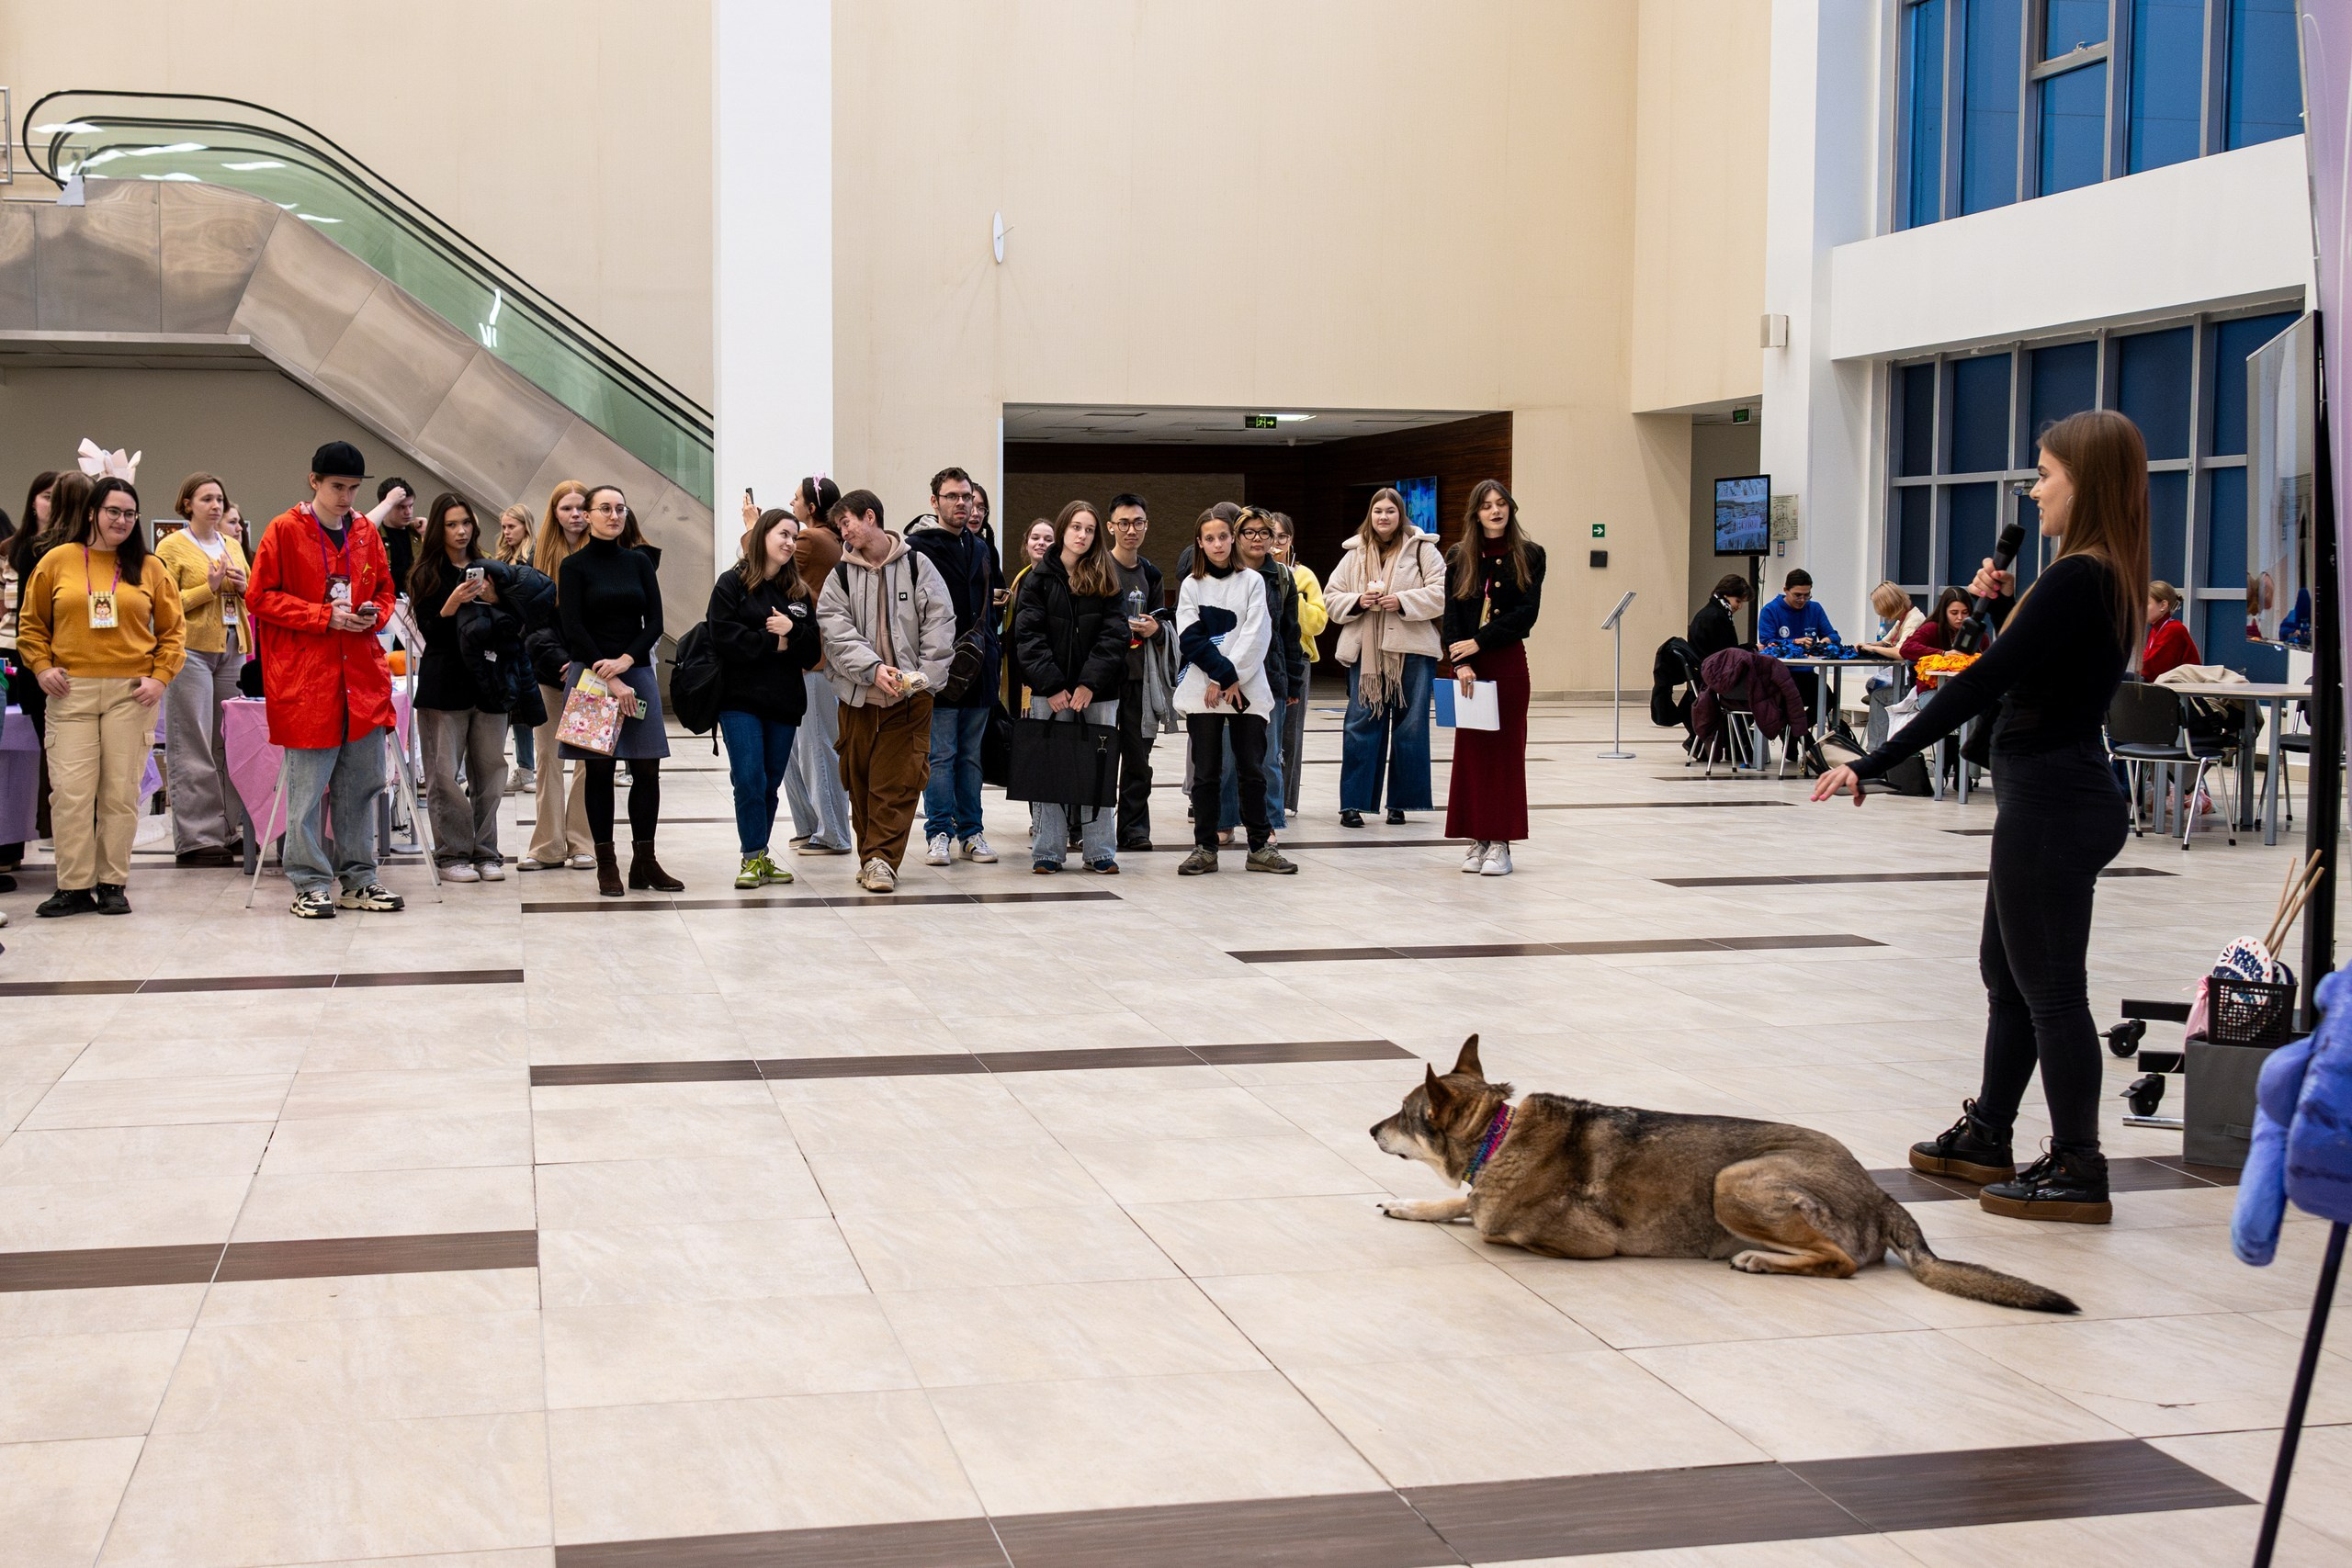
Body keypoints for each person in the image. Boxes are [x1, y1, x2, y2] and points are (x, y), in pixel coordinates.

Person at [1813, 409, 2148, 1224]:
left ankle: (2077, 1163)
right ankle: (1990, 1132)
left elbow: (1979, 685)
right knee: (2008, 977)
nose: (2034, 492)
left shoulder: (2079, 575)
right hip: (2054, 792)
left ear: (2086, 480)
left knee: (2051, 990)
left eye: (2046, 474)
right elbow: (2029, 668)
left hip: (2053, 798)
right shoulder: (2092, 574)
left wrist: (1872, 759)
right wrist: (1993, 610)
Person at [250, 442, 407, 919]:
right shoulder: (283, 530)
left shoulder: (364, 532)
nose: (346, 498)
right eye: (338, 487)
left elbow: (384, 589)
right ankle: (309, 883)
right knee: (306, 791)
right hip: (307, 679)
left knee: (362, 787)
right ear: (314, 480)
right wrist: (322, 617)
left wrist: (370, 614)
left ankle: (360, 879)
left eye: (354, 489)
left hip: (360, 677)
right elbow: (260, 596)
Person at [17, 477, 186, 917]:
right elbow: (31, 624)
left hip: (132, 694)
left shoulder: (149, 567)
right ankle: (72, 886)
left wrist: (161, 678)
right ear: (93, 512)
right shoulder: (57, 560)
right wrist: (41, 665)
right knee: (71, 793)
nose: (122, 521)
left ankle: (113, 883)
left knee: (119, 793)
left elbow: (173, 632)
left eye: (130, 514)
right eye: (113, 511)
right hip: (69, 690)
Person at [816, 489, 955, 893]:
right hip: (858, 697)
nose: (843, 533)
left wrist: (923, 677)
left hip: (909, 700)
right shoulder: (839, 576)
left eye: (846, 523)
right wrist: (873, 669)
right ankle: (871, 855)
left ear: (870, 517)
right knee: (859, 782)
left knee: (897, 783)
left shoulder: (917, 565)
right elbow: (835, 632)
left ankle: (881, 861)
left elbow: (940, 623)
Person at [558, 484, 679, 897]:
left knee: (647, 768)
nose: (613, 515)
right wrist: (608, 674)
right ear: (587, 516)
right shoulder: (574, 567)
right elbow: (572, 626)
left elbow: (655, 622)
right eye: (604, 509)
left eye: (620, 508)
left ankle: (645, 861)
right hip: (592, 674)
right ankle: (606, 864)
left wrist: (627, 662)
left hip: (636, 670)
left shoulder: (639, 562)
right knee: (599, 769)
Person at [1012, 501, 1131, 874]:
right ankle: (1047, 849)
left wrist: (1087, 685)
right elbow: (1028, 638)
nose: (1082, 535)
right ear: (1063, 529)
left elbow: (1115, 636)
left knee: (1098, 767)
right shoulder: (1038, 578)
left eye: (1090, 529)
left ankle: (1099, 850)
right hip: (1052, 693)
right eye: (1076, 527)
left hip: (1098, 691)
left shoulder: (1107, 577)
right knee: (1051, 768)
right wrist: (1054, 685)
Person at [1175, 510, 1295, 876]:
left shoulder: (1252, 581)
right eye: (1209, 538)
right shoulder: (1191, 585)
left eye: (1223, 537)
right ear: (1200, 542)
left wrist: (1229, 679)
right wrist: (1221, 675)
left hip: (1245, 689)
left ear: (1233, 539)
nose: (1217, 544)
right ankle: (1205, 847)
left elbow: (1257, 633)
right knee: (1207, 774)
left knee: (1253, 770)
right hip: (1205, 691)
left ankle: (1260, 846)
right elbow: (1191, 638)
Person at [710, 506, 822, 888]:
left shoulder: (797, 593)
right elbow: (725, 639)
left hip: (783, 702)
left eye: (794, 536)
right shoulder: (732, 583)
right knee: (749, 777)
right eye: (783, 535)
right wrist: (774, 641)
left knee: (770, 782)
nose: (791, 543)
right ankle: (752, 856)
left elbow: (812, 651)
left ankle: (759, 855)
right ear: (763, 536)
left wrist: (792, 630)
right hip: (740, 701)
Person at [1443, 480, 1546, 876]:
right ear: (1476, 513)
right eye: (1487, 506)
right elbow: (1451, 614)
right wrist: (1460, 661)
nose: (1495, 511)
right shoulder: (1458, 555)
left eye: (1501, 504)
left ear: (1511, 509)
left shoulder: (1530, 554)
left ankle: (1501, 842)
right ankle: (1477, 838)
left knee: (1504, 753)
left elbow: (1526, 614)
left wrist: (1478, 642)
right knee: (1471, 753)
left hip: (1505, 661)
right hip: (1468, 665)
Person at [1326, 487, 1445, 828]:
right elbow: (1331, 597)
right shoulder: (1354, 553)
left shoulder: (1424, 549)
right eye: (1378, 511)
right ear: (1370, 515)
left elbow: (1440, 594)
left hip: (1413, 652)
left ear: (1401, 514)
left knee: (1410, 727)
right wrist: (1358, 601)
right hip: (1366, 655)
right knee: (1360, 724)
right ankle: (1353, 803)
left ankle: (1402, 803)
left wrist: (1403, 600)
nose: (1383, 517)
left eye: (1390, 511)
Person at [409, 492, 510, 882]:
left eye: (466, 522)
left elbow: (512, 626)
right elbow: (430, 633)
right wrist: (451, 603)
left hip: (488, 683)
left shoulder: (490, 569)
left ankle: (486, 851)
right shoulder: (426, 573)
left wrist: (496, 599)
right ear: (439, 528)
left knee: (490, 771)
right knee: (444, 774)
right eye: (452, 524)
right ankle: (452, 853)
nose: (461, 531)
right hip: (443, 683)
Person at [905, 467, 1001, 867]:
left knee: (971, 756)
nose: (962, 504)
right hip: (939, 665)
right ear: (935, 502)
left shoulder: (981, 548)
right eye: (952, 497)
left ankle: (972, 831)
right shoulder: (916, 547)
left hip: (979, 664)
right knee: (941, 754)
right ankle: (939, 832)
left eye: (967, 498)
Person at [156, 472, 252, 866]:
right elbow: (162, 604)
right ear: (187, 505)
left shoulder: (232, 543)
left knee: (230, 742)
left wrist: (244, 585)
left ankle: (232, 830)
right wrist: (207, 588)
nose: (215, 505)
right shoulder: (171, 546)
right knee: (192, 741)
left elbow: (251, 592)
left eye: (219, 499)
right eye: (206, 499)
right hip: (190, 649)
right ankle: (196, 837)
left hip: (232, 647)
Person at [1217, 507, 1305, 842]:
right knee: (1226, 756)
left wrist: (1292, 681)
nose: (1257, 539)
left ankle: (1267, 822)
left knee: (1267, 757)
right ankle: (1224, 821)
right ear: (1236, 538)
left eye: (1264, 533)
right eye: (1249, 533)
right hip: (1227, 676)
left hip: (1270, 676)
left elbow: (1289, 633)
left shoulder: (1281, 577)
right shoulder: (1224, 573)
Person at [520, 480, 594, 872]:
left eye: (582, 507)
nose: (576, 515)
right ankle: (548, 844)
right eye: (567, 508)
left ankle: (583, 842)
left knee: (587, 760)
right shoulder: (538, 558)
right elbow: (533, 623)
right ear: (555, 513)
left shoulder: (604, 554)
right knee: (548, 757)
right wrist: (561, 662)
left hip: (594, 673)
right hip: (551, 674)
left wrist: (583, 662)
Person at [782, 475, 854, 857]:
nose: (792, 503)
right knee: (797, 747)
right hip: (808, 661)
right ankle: (811, 826)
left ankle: (833, 833)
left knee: (816, 746)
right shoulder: (831, 541)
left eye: (796, 499)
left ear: (812, 508)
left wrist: (749, 528)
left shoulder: (810, 540)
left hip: (815, 661)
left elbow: (764, 564)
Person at [0, 470, 60, 871]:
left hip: (50, 656)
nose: (51, 504)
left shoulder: (71, 549)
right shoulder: (10, 548)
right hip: (7, 652)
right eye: (45, 495)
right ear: (32, 501)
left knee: (51, 754)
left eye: (59, 497)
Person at [1105, 494, 1166, 851]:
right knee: (1098, 756)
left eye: (1138, 522)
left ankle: (1133, 829)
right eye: (1124, 523)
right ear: (1111, 526)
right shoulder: (1097, 568)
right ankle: (1087, 826)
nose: (1131, 530)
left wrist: (1155, 631)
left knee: (1138, 760)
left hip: (1140, 681)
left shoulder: (1152, 574)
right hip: (1102, 682)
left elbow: (1163, 625)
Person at [1269, 512, 1326, 818]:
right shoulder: (1253, 572)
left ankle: (1286, 800)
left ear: (1291, 540)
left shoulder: (1304, 576)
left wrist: (1290, 589)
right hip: (1262, 659)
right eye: (1270, 536)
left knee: (1290, 733)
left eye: (1282, 537)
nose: (1275, 544)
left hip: (1296, 659)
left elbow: (1317, 622)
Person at [493, 503, 537, 793]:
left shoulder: (531, 558)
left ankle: (528, 768)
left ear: (526, 527)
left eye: (512, 527)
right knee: (512, 708)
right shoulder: (503, 557)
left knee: (523, 709)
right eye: (504, 527)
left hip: (525, 638)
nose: (507, 532)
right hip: (504, 637)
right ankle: (523, 767)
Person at [1758, 567, 1838, 714]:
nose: (1802, 600)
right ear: (1785, 590)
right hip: (1779, 675)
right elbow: (1767, 642)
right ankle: (1799, 735)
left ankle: (1798, 734)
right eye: (1797, 595)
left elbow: (1834, 636)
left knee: (1828, 699)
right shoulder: (1770, 610)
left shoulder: (1815, 608)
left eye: (1807, 595)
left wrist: (1823, 642)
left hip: (1806, 673)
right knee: (1788, 703)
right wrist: (1794, 642)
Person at [2143, 581, 2199, 679]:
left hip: (2180, 689)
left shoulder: (2173, 629)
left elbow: (2153, 669)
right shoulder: (2157, 628)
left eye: (2146, 604)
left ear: (2163, 605)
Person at [1856, 581, 1926, 660]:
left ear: (1888, 605)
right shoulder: (1904, 618)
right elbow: (1885, 643)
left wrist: (1872, 648)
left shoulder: (1913, 620)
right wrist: (1865, 646)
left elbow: (1901, 653)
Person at [374, 477, 421, 591]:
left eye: (411, 506)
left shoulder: (418, 534)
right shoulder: (374, 535)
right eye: (401, 507)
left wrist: (428, 533)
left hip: (413, 601)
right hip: (383, 600)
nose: (408, 512)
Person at [1899, 587, 1973, 659]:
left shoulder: (1973, 630)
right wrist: (1943, 653)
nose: (1960, 618)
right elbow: (1907, 648)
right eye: (1954, 613)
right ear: (1944, 612)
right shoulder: (1932, 627)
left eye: (1965, 612)